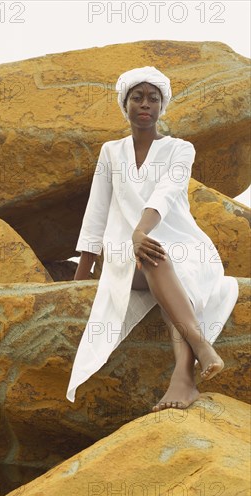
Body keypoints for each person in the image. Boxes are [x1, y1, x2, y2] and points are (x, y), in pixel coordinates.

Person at [66, 66, 239, 411]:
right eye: (137, 97)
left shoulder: (181, 149)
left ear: (162, 106)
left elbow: (166, 193)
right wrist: (79, 279)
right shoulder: (110, 152)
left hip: (185, 245)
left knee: (156, 253)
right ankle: (200, 346)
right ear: (125, 104)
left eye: (153, 98)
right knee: (150, 254)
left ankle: (182, 378)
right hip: (126, 254)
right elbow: (96, 212)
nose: (145, 104)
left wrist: (141, 231)